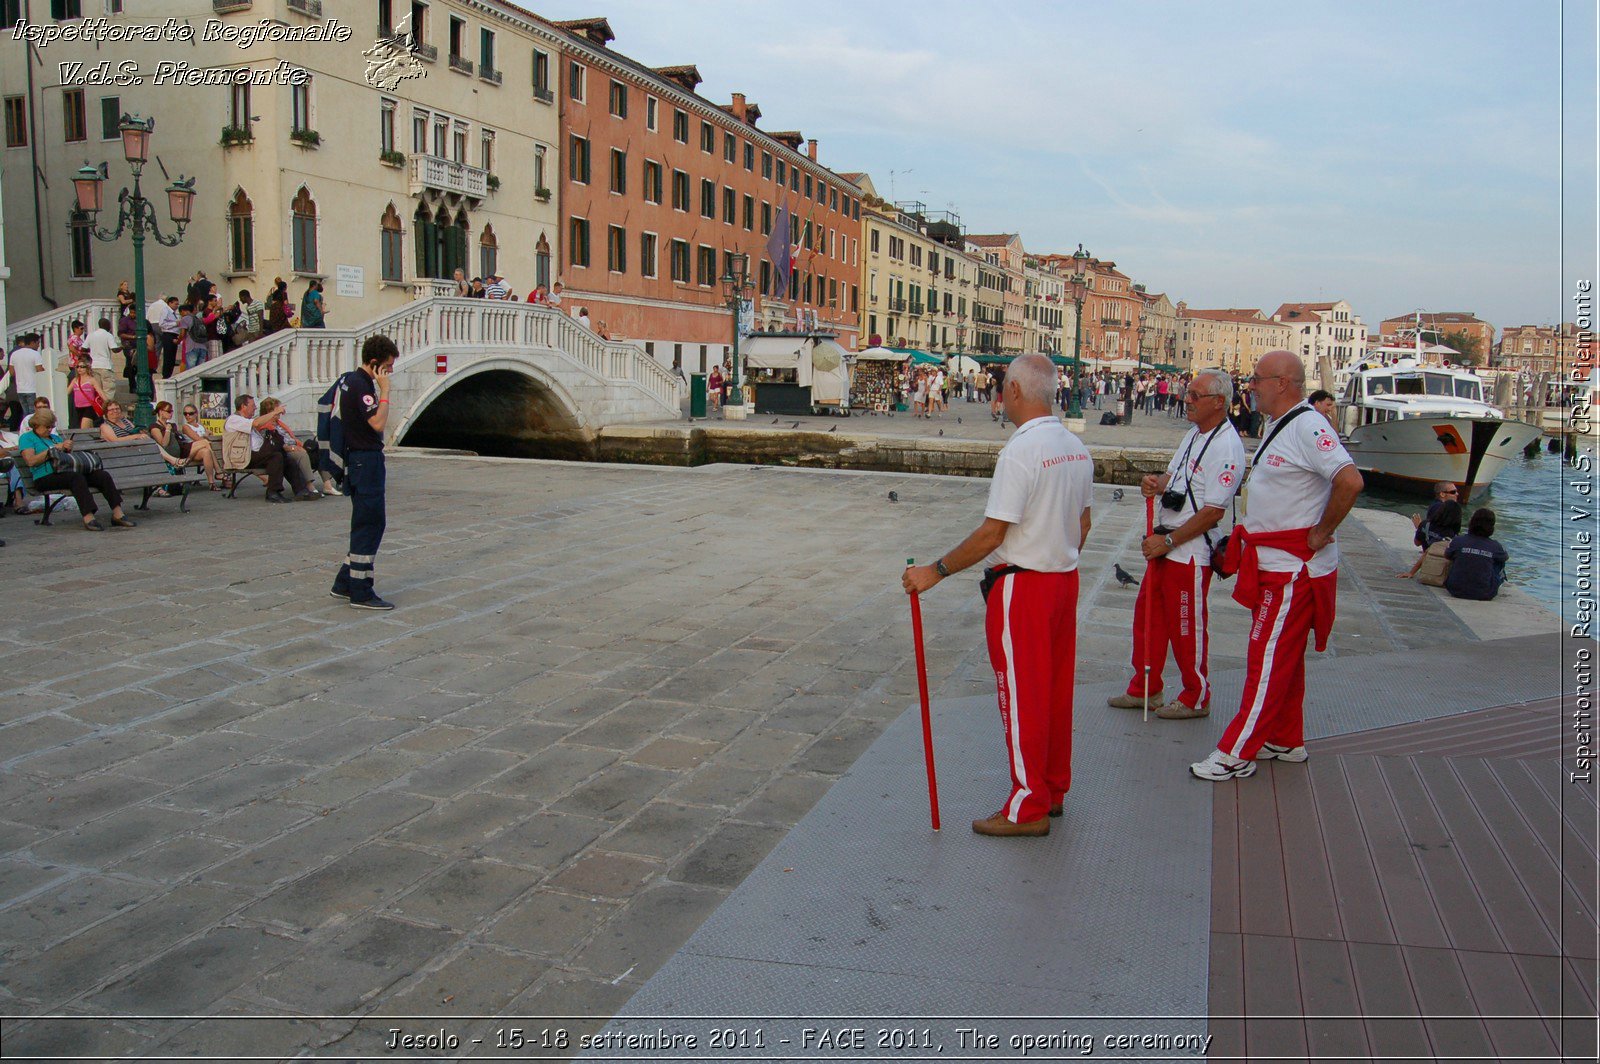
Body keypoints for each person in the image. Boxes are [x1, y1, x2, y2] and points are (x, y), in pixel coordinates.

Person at [902, 354, 1094, 836]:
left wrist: (936, 571)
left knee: (1023, 695)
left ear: (1013, 391)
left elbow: (992, 533)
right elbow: (1083, 522)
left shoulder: (1021, 451)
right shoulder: (1075, 447)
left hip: (1023, 587)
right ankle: (1052, 788)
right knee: (1054, 690)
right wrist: (1055, 550)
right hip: (1062, 580)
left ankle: (1027, 806)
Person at [1190, 351, 1363, 781]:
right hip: (1274, 561)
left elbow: (1350, 480)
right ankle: (1285, 738)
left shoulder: (1307, 425)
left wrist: (1321, 533)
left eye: (1257, 379)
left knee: (1264, 657)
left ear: (1283, 383)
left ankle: (1236, 751)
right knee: (1284, 657)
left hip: (1293, 568)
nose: (1251, 386)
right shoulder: (1279, 424)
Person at [1109, 368, 1245, 719]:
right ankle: (1146, 689)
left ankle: (1196, 695)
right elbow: (1177, 475)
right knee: (1148, 619)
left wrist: (1168, 541)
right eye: (1189, 392)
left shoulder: (1226, 446)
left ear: (1219, 402)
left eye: (1195, 396)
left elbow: (1214, 511)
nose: (1187, 399)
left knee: (1187, 627)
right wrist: (1157, 481)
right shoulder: (1194, 434)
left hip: (1189, 551)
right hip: (1166, 544)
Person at [330, 335, 398, 610]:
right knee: (370, 523)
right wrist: (385, 391)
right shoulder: (362, 386)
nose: (391, 371)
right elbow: (378, 423)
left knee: (366, 521)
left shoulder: (350, 381)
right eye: (388, 366)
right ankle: (361, 591)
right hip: (365, 461)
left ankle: (344, 582)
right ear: (375, 363)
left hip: (357, 460)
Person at [17, 408, 136, 530]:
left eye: (51, 427)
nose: (49, 430)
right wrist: (52, 450)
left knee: (102, 476)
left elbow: (65, 457)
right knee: (76, 478)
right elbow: (31, 461)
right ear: (37, 425)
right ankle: (88, 517)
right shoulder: (27, 438)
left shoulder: (54, 437)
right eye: (47, 427)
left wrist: (67, 448)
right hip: (44, 476)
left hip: (64, 471)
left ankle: (118, 514)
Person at [225, 393, 311, 503]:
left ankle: (300, 490)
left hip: (255, 454)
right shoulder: (234, 419)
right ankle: (273, 492)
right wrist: (274, 412)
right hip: (243, 457)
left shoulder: (247, 421)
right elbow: (256, 423)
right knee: (276, 456)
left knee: (285, 457)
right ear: (243, 406)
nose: (255, 408)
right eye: (252, 406)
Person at [258, 397, 328, 498]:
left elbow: (290, 437)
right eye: (277, 410)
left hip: (294, 445)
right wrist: (293, 448)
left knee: (319, 450)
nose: (281, 412)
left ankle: (327, 484)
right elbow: (274, 444)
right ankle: (310, 486)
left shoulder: (278, 424)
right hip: (285, 450)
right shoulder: (264, 425)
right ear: (270, 411)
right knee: (301, 454)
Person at [1398, 482, 1462, 579]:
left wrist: (1420, 528)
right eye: (1453, 492)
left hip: (1429, 553)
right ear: (1442, 494)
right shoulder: (1451, 535)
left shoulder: (1429, 517)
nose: (1457, 494)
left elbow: (1419, 544)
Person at [1444, 508, 1508, 601]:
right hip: (1484, 593)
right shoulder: (1495, 546)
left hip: (1455, 589)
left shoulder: (1458, 540)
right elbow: (1504, 558)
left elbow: (1447, 555)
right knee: (1499, 562)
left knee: (1457, 555)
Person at [156, 400, 221, 488]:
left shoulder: (173, 425)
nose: (187, 416)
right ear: (160, 412)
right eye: (185, 414)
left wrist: (207, 434)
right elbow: (164, 444)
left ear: (196, 414)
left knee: (206, 451)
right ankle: (218, 471)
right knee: (205, 443)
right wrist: (167, 430)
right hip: (184, 451)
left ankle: (211, 483)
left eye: (190, 413)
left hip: (188, 448)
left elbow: (208, 435)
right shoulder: (184, 427)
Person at [8, 334, 46, 412]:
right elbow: (40, 371)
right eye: (37, 343)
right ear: (32, 342)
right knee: (33, 413)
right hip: (32, 388)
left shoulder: (14, 354)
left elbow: (11, 373)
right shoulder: (35, 354)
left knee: (25, 413)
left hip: (20, 389)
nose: (38, 345)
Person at [67, 361, 109, 428]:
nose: (79, 369)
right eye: (77, 367)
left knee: (84, 426)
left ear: (87, 368)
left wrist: (107, 402)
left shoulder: (92, 380)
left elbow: (100, 392)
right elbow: (67, 392)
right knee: (88, 426)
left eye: (82, 367)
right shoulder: (75, 380)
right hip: (78, 407)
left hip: (89, 407)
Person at [84, 317, 118, 398]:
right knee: (108, 391)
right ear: (106, 325)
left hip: (94, 366)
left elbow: (83, 348)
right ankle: (107, 408)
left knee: (97, 391)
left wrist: (92, 349)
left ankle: (98, 409)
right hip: (105, 366)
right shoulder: (108, 335)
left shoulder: (91, 335)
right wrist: (123, 347)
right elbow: (114, 349)